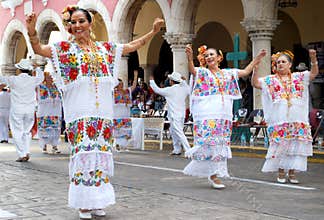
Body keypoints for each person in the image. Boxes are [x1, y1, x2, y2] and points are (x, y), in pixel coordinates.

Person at [26, 5, 164, 219]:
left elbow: (131, 46)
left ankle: (98, 201)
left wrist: (154, 32)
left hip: (103, 114)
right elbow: (40, 50)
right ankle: (83, 203)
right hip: (80, 112)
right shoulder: (64, 49)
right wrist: (32, 31)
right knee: (83, 154)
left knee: (100, 156)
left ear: (90, 23)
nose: (77, 25)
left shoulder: (105, 49)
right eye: (73, 22)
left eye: (82, 20)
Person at [184, 44, 266, 189]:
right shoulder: (203, 72)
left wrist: (257, 59)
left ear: (219, 58)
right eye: (206, 55)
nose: (209, 57)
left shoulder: (228, 73)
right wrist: (190, 58)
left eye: (212, 54)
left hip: (223, 115)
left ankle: (214, 173)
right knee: (208, 142)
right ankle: (212, 173)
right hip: (207, 113)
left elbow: (246, 71)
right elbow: (192, 70)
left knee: (220, 144)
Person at [252, 49, 318, 184]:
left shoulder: (299, 77)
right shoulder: (271, 80)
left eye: (283, 62)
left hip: (297, 118)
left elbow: (314, 74)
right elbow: (255, 84)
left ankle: (292, 172)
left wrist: (313, 59)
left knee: (295, 145)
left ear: (290, 64)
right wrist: (255, 69)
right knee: (281, 145)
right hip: (279, 119)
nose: (280, 64)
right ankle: (281, 171)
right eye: (278, 62)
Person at [0, 58, 44, 162]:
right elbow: (41, 77)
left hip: (17, 109)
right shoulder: (33, 80)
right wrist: (37, 68)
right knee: (26, 132)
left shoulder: (13, 79)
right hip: (29, 109)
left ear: (19, 70)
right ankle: (26, 151)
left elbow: (1, 78)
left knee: (17, 132)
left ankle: (22, 153)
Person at [149, 72, 191, 155]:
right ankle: (177, 149)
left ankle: (188, 150)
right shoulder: (184, 88)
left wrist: (152, 81)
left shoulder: (170, 90)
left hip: (175, 115)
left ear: (172, 81)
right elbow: (186, 86)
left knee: (179, 132)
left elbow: (157, 90)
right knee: (173, 131)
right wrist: (183, 81)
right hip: (179, 114)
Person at [36, 61, 62, 154]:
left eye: (51, 76)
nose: (50, 78)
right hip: (44, 112)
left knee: (55, 129)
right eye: (48, 76)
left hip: (55, 112)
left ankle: (55, 146)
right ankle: (44, 146)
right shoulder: (40, 87)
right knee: (44, 129)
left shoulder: (57, 87)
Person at [113, 70, 138, 151]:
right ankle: (117, 144)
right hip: (117, 114)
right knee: (118, 131)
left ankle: (123, 145)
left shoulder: (127, 91)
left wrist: (135, 77)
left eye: (122, 83)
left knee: (126, 131)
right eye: (120, 84)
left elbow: (134, 86)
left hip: (125, 114)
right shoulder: (113, 93)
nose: (122, 85)